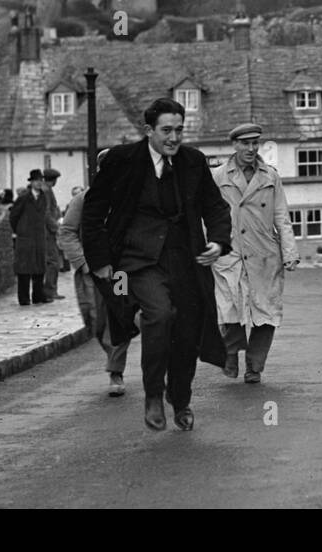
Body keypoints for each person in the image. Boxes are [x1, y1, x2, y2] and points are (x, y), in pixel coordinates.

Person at [81, 97, 232, 432]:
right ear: (148, 130)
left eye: (179, 130)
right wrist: (102, 262)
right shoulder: (122, 161)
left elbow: (216, 207)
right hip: (136, 262)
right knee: (160, 315)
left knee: (188, 330)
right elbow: (92, 212)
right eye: (167, 130)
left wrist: (218, 241)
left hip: (185, 261)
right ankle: (152, 395)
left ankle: (180, 399)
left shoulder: (193, 161)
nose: (174, 138)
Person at [211, 123, 299, 383]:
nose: (250, 149)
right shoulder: (218, 176)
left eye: (254, 143)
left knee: (266, 313)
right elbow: (207, 215)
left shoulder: (270, 176)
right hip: (231, 251)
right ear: (234, 145)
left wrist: (289, 251)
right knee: (228, 308)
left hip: (264, 253)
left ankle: (255, 366)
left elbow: (282, 215)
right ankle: (230, 353)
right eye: (244, 143)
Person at [58, 149, 130, 396]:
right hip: (91, 273)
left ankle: (115, 371)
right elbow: (66, 232)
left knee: (121, 315)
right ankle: (112, 357)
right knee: (96, 321)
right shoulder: (83, 200)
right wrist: (84, 263)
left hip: (121, 274)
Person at [9, 170, 51, 306]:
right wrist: (20, 230)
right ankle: (24, 298)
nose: (39, 183)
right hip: (25, 237)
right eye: (36, 180)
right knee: (24, 268)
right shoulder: (24, 197)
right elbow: (13, 216)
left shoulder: (44, 197)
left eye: (41, 180)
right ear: (31, 182)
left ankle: (38, 295)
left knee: (39, 266)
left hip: (39, 236)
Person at [41, 169, 66, 299]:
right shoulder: (46, 191)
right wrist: (55, 227)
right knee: (53, 261)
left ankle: (50, 290)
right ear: (54, 179)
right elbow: (46, 212)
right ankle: (50, 290)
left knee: (52, 261)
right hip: (47, 232)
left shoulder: (45, 189)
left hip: (47, 231)